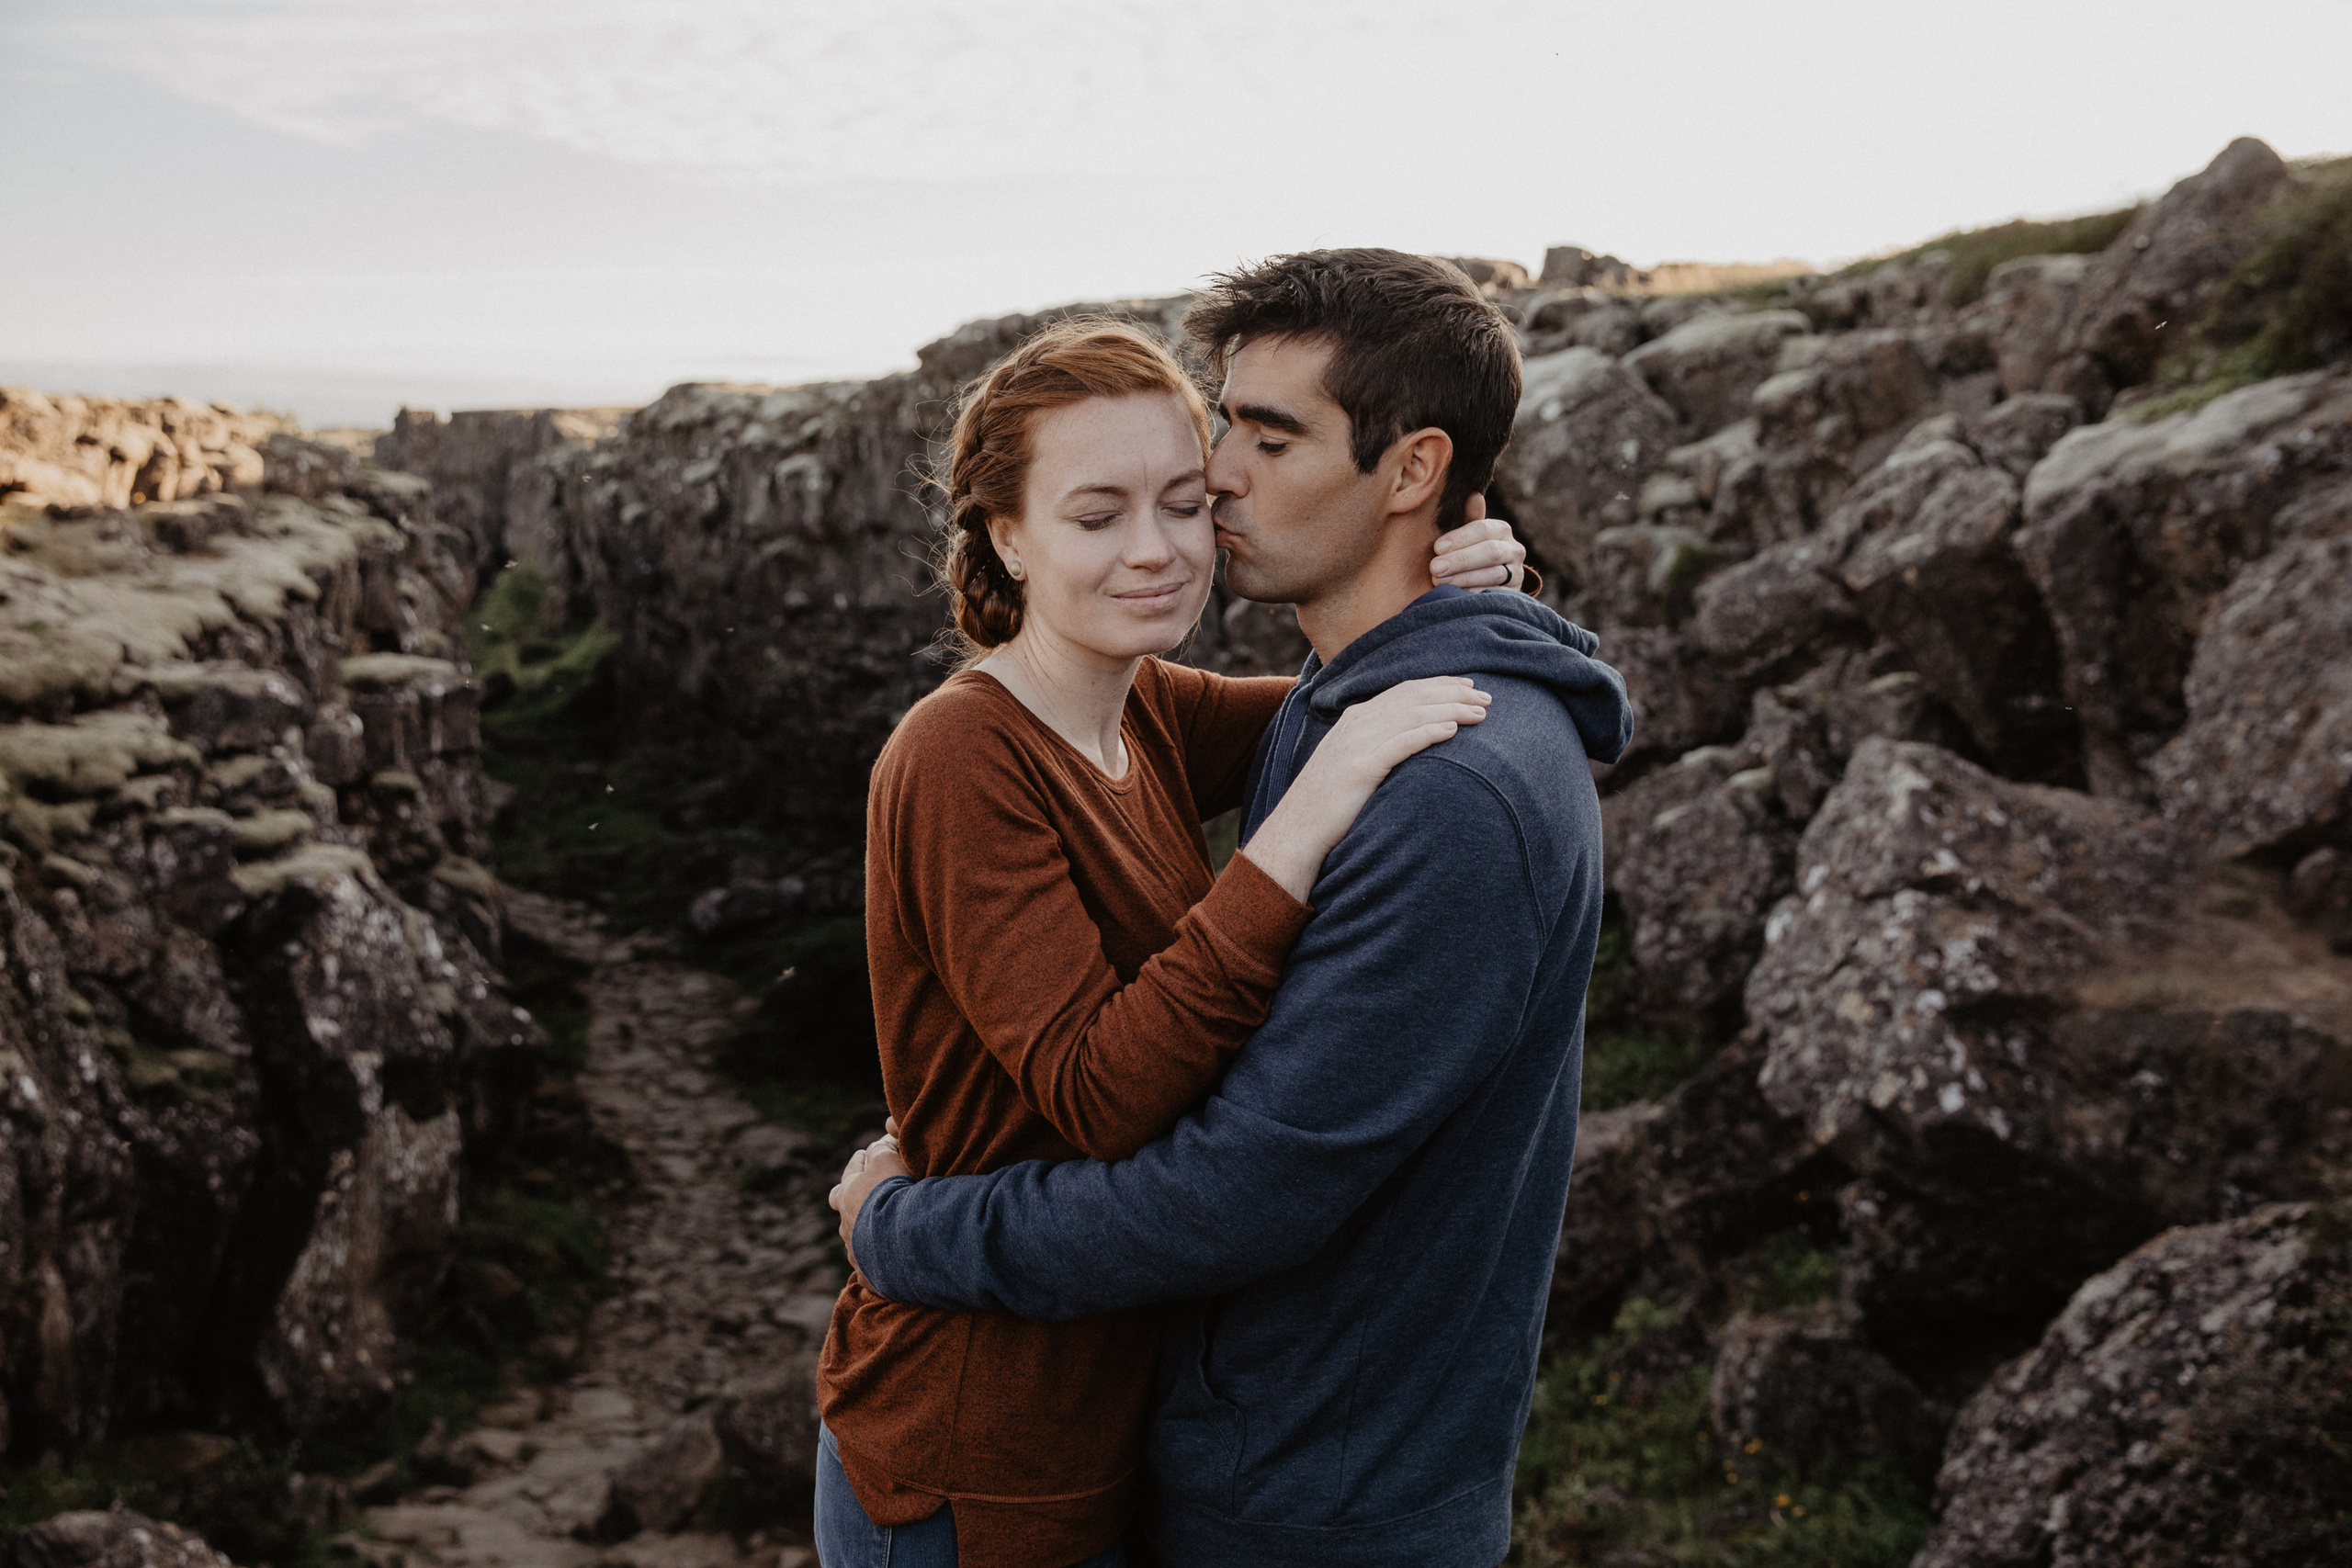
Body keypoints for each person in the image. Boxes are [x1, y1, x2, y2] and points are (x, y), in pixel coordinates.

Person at [834, 250, 1634, 1568]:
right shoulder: (979, 749)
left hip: (1255, 1472)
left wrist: (1487, 605)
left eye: (1248, 446)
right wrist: (1319, 804)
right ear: (1006, 537)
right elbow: (1109, 1089)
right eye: (1100, 513)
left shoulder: (1224, 730)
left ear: (1415, 470)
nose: (1207, 494)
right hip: (994, 1428)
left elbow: (1235, 1189)